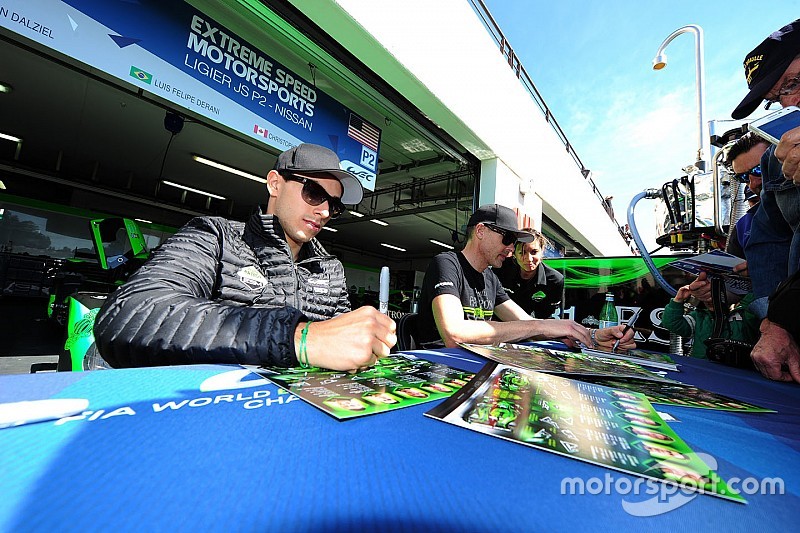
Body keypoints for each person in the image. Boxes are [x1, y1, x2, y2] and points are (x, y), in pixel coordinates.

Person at [94, 143, 396, 371]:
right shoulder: (214, 236)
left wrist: (368, 341)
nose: (326, 211)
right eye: (315, 193)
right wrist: (300, 338)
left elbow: (340, 337)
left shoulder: (331, 269)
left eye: (335, 205)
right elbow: (131, 314)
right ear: (275, 183)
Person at [414, 203, 635, 350]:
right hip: (438, 369)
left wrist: (592, 335)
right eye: (508, 238)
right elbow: (454, 333)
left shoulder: (490, 278)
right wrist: (539, 327)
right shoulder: (447, 263)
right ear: (481, 231)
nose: (511, 248)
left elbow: (526, 322)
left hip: (475, 366)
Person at [730, 18, 800, 382]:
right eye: (778, 98)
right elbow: (769, 240)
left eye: (794, 82)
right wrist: (777, 320)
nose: (791, 102)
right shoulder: (776, 157)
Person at [660, 281, 759, 359]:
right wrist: (678, 300)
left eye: (715, 295)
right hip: (702, 369)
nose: (709, 300)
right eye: (706, 296)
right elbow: (672, 323)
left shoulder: (744, 314)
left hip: (736, 372)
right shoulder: (699, 316)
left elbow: (756, 299)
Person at [495, 228, 564, 319]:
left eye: (534, 252)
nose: (529, 259)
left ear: (542, 251)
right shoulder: (499, 268)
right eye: (522, 253)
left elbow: (547, 315)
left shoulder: (555, 280)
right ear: (514, 253)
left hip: (533, 327)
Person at [724, 133, 768, 259]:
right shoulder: (743, 228)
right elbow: (732, 272)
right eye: (744, 177)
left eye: (758, 170)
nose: (753, 184)